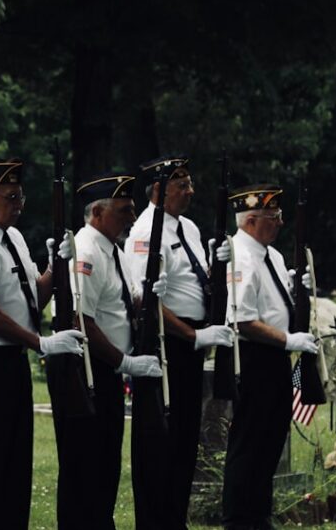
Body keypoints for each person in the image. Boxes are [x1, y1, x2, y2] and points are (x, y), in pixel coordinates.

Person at [0, 158, 83, 529]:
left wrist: (54, 267)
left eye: (21, 196)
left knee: (15, 465)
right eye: (11, 197)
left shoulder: (9, 235)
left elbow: (31, 301)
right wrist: (40, 342)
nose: (19, 205)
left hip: (11, 359)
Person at [123, 156, 235, 530]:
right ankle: (155, 521)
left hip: (192, 343)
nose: (190, 191)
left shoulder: (186, 227)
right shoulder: (144, 232)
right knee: (159, 439)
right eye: (181, 185)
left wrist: (221, 266)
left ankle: (175, 518)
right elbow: (144, 302)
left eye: (189, 183)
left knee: (186, 438)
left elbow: (197, 280)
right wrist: (191, 334)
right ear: (159, 190)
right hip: (165, 343)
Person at [54, 172, 163, 530]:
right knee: (86, 464)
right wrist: (125, 361)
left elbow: (120, 303)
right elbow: (79, 319)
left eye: (131, 209)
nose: (131, 217)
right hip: (90, 369)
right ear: (97, 213)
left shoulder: (112, 249)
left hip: (109, 370)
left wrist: (147, 296)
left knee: (105, 462)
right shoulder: (87, 250)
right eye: (122, 211)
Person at [215, 185, 318, 530]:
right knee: (250, 440)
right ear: (251, 221)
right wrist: (289, 339)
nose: (280, 223)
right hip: (255, 356)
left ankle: (258, 513)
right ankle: (239, 517)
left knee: (271, 437)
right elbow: (243, 320)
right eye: (273, 218)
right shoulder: (240, 256)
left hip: (275, 358)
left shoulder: (269, 255)